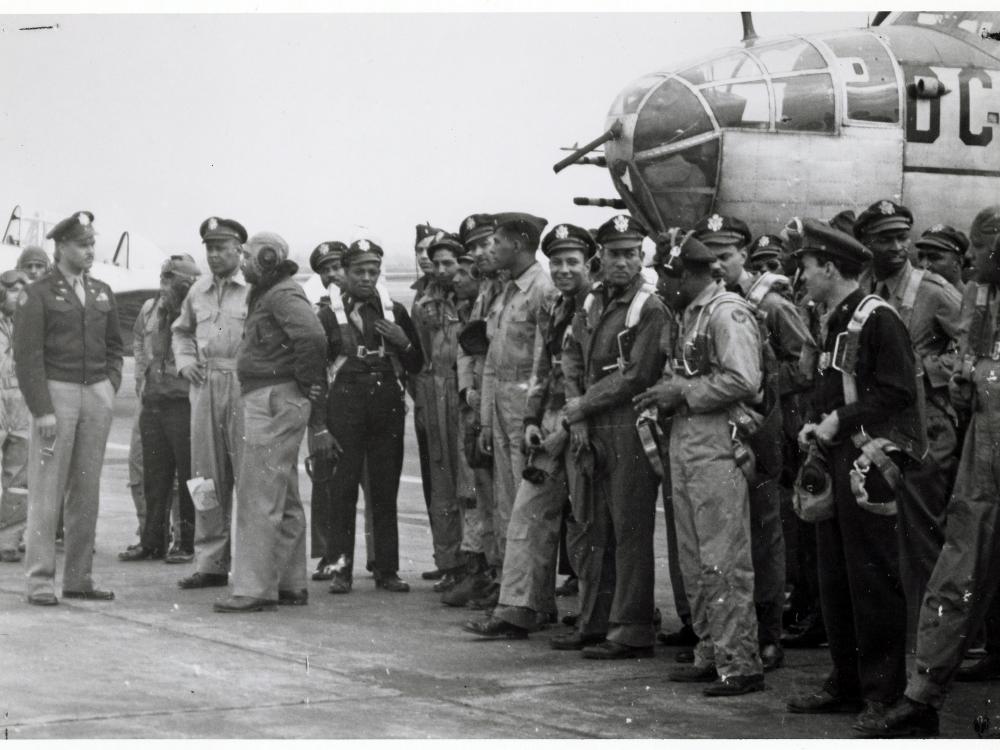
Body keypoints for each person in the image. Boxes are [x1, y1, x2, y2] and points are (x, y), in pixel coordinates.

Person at [856, 208, 1000, 736]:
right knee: (955, 571)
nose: (973, 262)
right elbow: (968, 364)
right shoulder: (985, 297)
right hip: (982, 457)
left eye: (982, 252)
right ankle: (922, 696)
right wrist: (963, 377)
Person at [787, 219, 919, 728]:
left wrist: (841, 418)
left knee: (873, 580)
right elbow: (830, 382)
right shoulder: (833, 319)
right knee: (836, 577)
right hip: (836, 458)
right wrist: (813, 425)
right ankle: (845, 683)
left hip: (869, 462)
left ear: (829, 266)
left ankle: (883, 692)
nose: (802, 277)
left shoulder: (878, 319)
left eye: (807, 266)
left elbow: (899, 390)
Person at [637, 229, 765, 695]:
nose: (661, 284)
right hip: (688, 443)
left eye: (666, 276)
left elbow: (743, 380)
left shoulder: (726, 314)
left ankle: (740, 661)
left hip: (716, 445)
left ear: (686, 275)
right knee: (693, 557)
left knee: (723, 557)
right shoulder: (687, 315)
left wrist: (681, 393)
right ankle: (711, 651)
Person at [463, 222, 594, 639]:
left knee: (580, 518)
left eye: (572, 261)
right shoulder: (510, 290)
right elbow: (526, 364)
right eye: (558, 261)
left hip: (568, 417)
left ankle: (591, 611)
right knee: (523, 509)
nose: (563, 269)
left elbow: (561, 365)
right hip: (536, 414)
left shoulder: (545, 291)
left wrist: (545, 418)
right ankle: (522, 604)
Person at [694, 214, 811, 672]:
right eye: (710, 257)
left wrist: (763, 383)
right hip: (717, 428)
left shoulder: (770, 303)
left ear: (743, 254)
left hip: (761, 427)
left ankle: (768, 634)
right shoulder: (704, 303)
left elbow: (807, 365)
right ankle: (721, 631)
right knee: (721, 536)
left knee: (763, 531)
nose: (718, 265)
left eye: (725, 256)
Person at [854, 200, 963, 644]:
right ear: (867, 243)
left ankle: (934, 637)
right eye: (886, 239)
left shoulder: (933, 290)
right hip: (880, 429)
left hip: (927, 426)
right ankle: (904, 630)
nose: (899, 247)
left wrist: (922, 367)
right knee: (884, 533)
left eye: (903, 237)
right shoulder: (864, 287)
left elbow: (975, 347)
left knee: (922, 534)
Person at [559, 214, 666, 659]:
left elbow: (638, 374)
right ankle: (595, 621)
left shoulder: (650, 306)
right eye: (614, 253)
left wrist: (583, 405)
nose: (622, 262)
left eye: (630, 254)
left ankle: (632, 628)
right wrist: (578, 413)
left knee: (630, 529)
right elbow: (570, 354)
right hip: (593, 425)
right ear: (600, 256)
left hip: (629, 425)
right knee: (593, 527)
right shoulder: (594, 300)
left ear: (641, 256)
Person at [213, 232, 329, 612]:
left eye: (246, 256)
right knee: (283, 493)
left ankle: (254, 589)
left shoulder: (281, 294)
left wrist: (305, 383)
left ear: (266, 258)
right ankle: (289, 582)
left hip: (273, 399)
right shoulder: (270, 292)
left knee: (258, 494)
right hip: (277, 397)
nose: (241, 262)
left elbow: (313, 336)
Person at [14, 211, 124, 605]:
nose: (90, 251)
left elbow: (115, 346)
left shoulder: (101, 292)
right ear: (61, 248)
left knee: (87, 490)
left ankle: (80, 578)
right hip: (56, 393)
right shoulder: (38, 293)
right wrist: (42, 409)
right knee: (46, 491)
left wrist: (109, 385)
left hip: (95, 392)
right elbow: (27, 357)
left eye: (92, 244)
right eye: (82, 245)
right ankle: (40, 580)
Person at [320, 239, 423, 594]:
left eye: (373, 271)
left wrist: (403, 341)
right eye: (359, 271)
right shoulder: (326, 315)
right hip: (345, 406)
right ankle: (340, 570)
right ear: (344, 274)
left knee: (384, 490)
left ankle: (387, 570)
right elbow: (317, 373)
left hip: (385, 407)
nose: (367, 278)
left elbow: (416, 363)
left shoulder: (394, 312)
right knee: (342, 489)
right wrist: (321, 426)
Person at [476, 212, 557, 610]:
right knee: (508, 505)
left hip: (526, 406)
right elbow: (492, 360)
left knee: (529, 510)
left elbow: (543, 357)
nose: (492, 248)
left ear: (520, 244)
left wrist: (531, 416)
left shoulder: (542, 288)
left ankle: (532, 602)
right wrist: (486, 422)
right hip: (502, 405)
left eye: (498, 241)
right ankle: (512, 592)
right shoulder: (507, 290)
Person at [172, 217, 250, 589]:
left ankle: (253, 564)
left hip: (245, 386)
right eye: (210, 248)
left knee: (250, 477)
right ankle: (210, 562)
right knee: (204, 476)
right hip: (204, 386)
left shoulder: (254, 288)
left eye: (222, 247)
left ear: (239, 249)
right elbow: (183, 331)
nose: (215, 255)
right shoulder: (198, 291)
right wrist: (186, 361)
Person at [119, 257, 201, 563]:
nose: (164, 284)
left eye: (172, 279)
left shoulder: (206, 312)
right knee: (154, 476)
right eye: (163, 277)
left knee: (192, 476)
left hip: (185, 402)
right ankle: (152, 540)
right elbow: (140, 341)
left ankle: (189, 541)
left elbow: (222, 340)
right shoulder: (150, 308)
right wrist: (142, 376)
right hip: (154, 402)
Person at [443, 213, 503, 606]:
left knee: (502, 497)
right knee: (480, 493)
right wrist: (467, 390)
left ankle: (501, 580)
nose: (480, 253)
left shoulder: (509, 288)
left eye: (486, 244)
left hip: (503, 403)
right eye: (474, 247)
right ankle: (483, 573)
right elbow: (468, 346)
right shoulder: (485, 292)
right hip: (478, 402)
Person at [411, 232, 472, 589]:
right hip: (436, 393)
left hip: (462, 391)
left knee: (469, 482)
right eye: (438, 263)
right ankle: (449, 561)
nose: (443, 269)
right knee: (442, 481)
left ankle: (473, 562)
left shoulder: (471, 297)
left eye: (450, 262)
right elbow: (424, 353)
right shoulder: (426, 304)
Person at [307, 240, 348, 579]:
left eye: (337, 267)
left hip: (362, 402)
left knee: (366, 481)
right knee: (325, 482)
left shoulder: (380, 306)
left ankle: (380, 560)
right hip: (325, 403)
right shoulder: (315, 311)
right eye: (325, 270)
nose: (332, 275)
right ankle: (327, 554)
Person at [410, 223, 444, 578]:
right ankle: (443, 556)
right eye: (420, 250)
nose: (424, 256)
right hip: (425, 391)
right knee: (434, 477)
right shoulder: (420, 294)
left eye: (431, 249)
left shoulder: (457, 289)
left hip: (448, 388)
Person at [0, 270, 30, 563]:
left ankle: (8, 540)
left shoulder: (31, 326)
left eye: (22, 291)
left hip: (21, 409)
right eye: (11, 290)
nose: (17, 295)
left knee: (19, 479)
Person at [914, 224, 969, 294]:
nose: (922, 264)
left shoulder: (973, 302)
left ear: (959, 262)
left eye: (934, 257)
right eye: (921, 257)